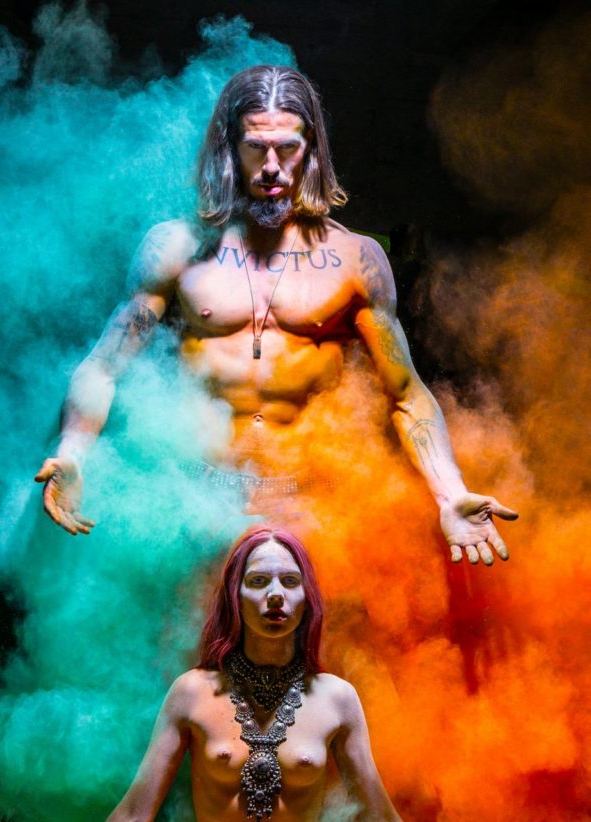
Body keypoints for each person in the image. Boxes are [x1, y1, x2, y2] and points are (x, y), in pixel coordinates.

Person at [0, 528, 496, 822]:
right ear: (234, 597)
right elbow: (135, 814)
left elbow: (381, 821)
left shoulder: (337, 699)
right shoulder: (193, 692)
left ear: (308, 598)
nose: (275, 595)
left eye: (290, 581)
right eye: (258, 581)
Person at [35, 64, 517, 565]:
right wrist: (73, 453)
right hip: (197, 498)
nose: (271, 167)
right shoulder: (174, 246)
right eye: (255, 148)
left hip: (310, 500)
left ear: (311, 150)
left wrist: (450, 492)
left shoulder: (356, 259)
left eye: (287, 148)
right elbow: (104, 367)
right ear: (229, 149)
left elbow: (406, 393)